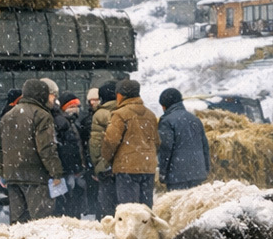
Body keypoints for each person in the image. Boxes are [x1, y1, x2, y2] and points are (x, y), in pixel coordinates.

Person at [0, 79, 62, 223]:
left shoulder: (8, 115)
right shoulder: (42, 115)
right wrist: (56, 172)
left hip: (13, 176)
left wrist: (3, 172)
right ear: (42, 95)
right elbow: (46, 148)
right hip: (36, 176)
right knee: (41, 222)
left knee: (18, 223)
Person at [101, 79, 159, 207]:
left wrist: (107, 158)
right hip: (147, 167)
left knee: (129, 209)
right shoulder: (151, 115)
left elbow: (111, 140)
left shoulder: (120, 114)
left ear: (120, 95)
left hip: (126, 167)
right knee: (145, 209)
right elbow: (157, 141)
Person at [41, 79, 82, 217]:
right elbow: (70, 147)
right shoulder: (59, 119)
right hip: (60, 170)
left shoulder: (54, 118)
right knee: (65, 205)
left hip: (53, 172)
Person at [156, 88, 210, 191]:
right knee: (194, 205)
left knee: (178, 205)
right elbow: (205, 146)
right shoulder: (195, 119)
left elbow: (166, 148)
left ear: (164, 106)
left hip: (177, 175)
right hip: (198, 173)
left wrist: (163, 172)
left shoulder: (166, 121)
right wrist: (206, 168)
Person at [88, 81, 119, 217]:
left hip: (106, 167)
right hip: (124, 167)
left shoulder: (99, 114)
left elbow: (96, 144)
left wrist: (98, 165)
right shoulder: (123, 111)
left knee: (107, 206)